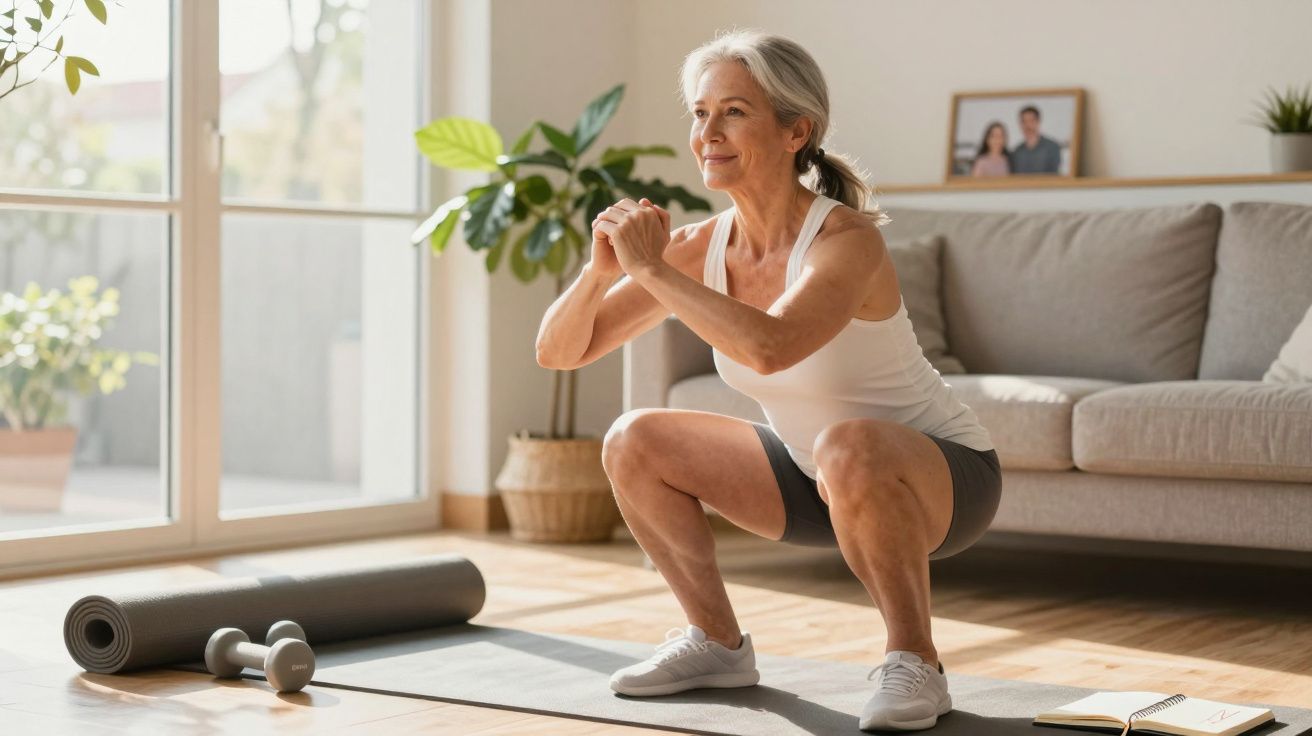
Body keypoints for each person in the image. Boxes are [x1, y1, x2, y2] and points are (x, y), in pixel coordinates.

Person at [535, 30, 1000, 732]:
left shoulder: (847, 241)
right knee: (635, 438)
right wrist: (602, 273)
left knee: (851, 444)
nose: (707, 133)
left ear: (796, 131)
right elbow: (561, 352)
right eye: (699, 113)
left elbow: (771, 348)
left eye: (733, 113)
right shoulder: (699, 247)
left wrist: (653, 270)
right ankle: (716, 644)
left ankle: (916, 664)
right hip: (814, 478)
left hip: (942, 479)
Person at [1009, 105, 1061, 174]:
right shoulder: (1016, 152)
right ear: (1020, 124)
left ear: (1038, 122)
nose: (1028, 125)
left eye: (1031, 120)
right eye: (1024, 121)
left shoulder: (1052, 147)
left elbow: (1055, 178)